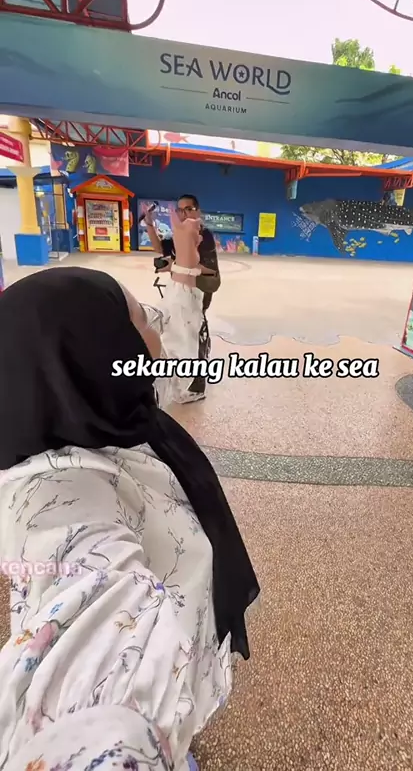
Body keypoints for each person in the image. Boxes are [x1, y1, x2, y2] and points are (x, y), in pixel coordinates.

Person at [0, 209, 259, 771]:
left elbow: (181, 353)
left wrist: (185, 263)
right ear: (102, 350)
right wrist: (117, 744)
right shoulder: (57, 490)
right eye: (141, 322)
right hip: (159, 674)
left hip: (183, 642)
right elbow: (91, 627)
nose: (154, 333)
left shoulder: (108, 412)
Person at [143, 195, 220, 403]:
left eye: (189, 209)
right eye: (180, 210)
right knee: (179, 331)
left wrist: (178, 267)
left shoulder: (203, 234)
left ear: (198, 211)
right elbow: (161, 248)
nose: (184, 213)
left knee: (194, 332)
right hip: (180, 289)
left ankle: (197, 385)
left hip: (198, 290)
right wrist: (149, 224)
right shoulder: (180, 230)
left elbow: (207, 268)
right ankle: (183, 373)